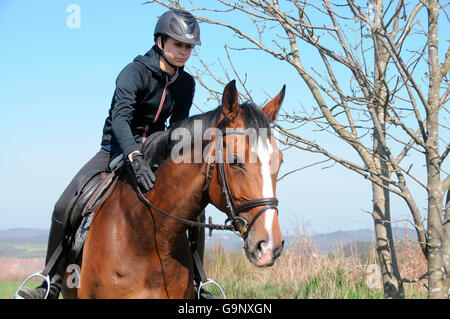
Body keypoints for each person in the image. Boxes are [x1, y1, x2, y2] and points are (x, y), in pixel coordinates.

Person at [18, 9, 203, 299]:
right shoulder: (134, 72)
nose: (184, 52)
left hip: (156, 150)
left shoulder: (186, 84)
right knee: (62, 206)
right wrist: (133, 155)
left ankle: (201, 284)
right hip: (116, 147)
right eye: (179, 45)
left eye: (189, 47)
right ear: (160, 41)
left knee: (193, 206)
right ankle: (50, 284)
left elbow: (177, 126)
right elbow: (120, 118)